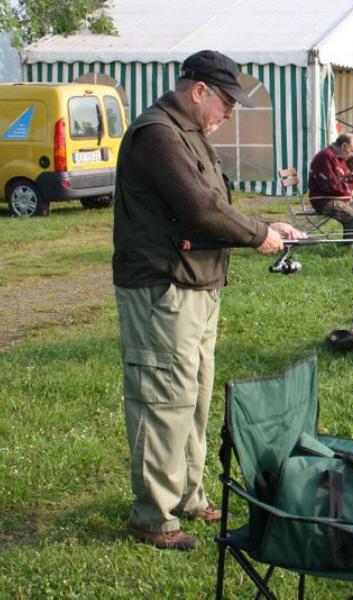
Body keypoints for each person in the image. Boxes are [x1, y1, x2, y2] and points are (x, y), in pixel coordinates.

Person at [112, 50, 305, 551]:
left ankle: (189, 496)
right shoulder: (157, 134)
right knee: (163, 399)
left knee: (195, 397)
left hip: (197, 284)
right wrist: (257, 236)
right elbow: (199, 208)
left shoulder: (190, 133)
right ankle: (153, 516)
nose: (230, 114)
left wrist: (265, 225)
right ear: (198, 91)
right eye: (227, 103)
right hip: (162, 287)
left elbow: (215, 204)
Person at [309, 132, 353, 237]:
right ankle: (350, 245)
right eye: (352, 151)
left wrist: (350, 176)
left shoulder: (339, 157)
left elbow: (341, 176)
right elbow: (331, 186)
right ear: (344, 146)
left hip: (335, 198)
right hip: (324, 201)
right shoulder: (325, 157)